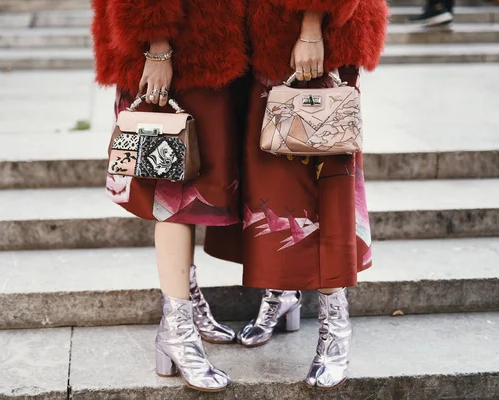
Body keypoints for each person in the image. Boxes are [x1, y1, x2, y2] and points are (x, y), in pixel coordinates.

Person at [93, 0, 387, 392]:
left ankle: (332, 324)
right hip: (202, 37)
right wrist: (157, 44)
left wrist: (313, 24)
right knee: (179, 185)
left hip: (297, 31)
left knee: (320, 182)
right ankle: (179, 328)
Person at [205, 0, 388, 390]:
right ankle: (281, 293)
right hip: (264, 36)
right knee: (271, 184)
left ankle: (335, 326)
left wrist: (311, 24)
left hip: (312, 32)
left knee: (325, 188)